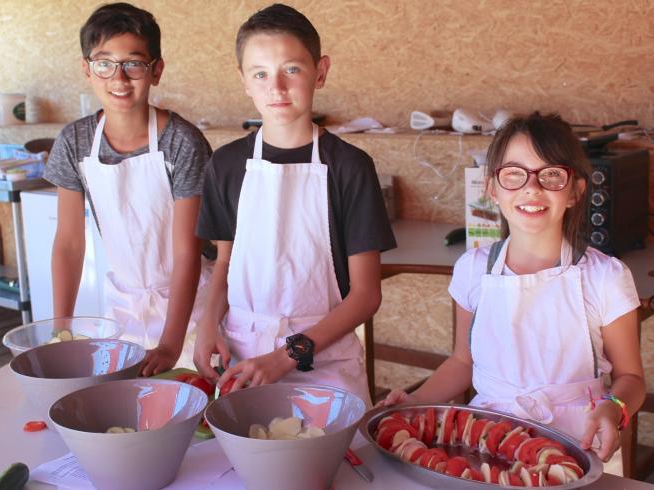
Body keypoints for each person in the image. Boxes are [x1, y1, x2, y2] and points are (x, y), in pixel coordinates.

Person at [382, 112, 645, 473]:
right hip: (490, 441)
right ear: (492, 188)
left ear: (575, 191)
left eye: (551, 174)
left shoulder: (605, 277)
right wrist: (414, 401)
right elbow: (462, 361)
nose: (531, 188)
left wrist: (614, 407)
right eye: (514, 174)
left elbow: (631, 379)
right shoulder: (473, 270)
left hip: (578, 446)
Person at [194, 3, 396, 407]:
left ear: (320, 71)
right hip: (244, 360)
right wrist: (206, 323)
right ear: (244, 81)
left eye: (292, 69)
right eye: (261, 74)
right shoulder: (226, 164)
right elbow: (225, 266)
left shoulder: (349, 167)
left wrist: (287, 356)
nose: (277, 87)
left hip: (327, 368)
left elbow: (366, 295)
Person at [44, 2, 213, 375]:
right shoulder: (75, 141)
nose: (119, 79)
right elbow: (70, 243)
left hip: (191, 310)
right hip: (123, 306)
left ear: (156, 71)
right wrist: (61, 327)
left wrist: (170, 344)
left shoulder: (182, 142)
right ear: (87, 69)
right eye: (105, 64)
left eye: (134, 64)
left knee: (192, 410)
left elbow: (187, 249)